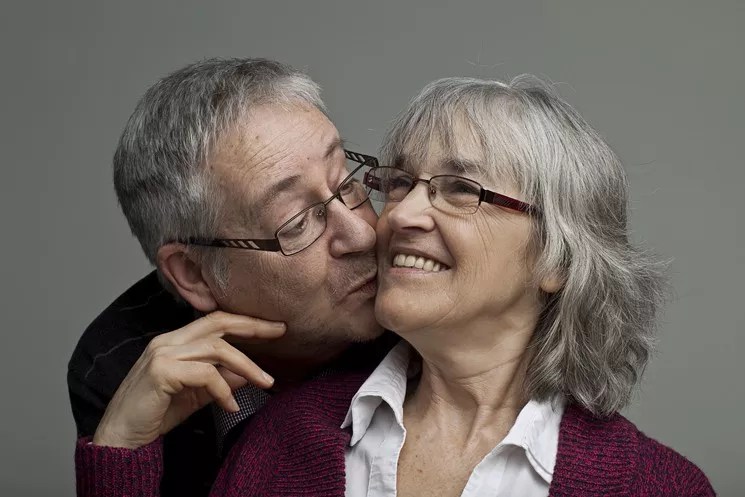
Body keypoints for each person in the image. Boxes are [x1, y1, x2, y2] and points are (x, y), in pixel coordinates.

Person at [181, 76, 711, 496]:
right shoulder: (282, 440)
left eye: (460, 189)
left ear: (556, 259)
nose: (398, 215)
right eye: (400, 184)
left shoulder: (658, 486)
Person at [68, 57, 391, 497]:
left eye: (346, 182)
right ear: (194, 274)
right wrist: (119, 452)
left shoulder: (423, 298)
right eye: (297, 223)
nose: (362, 234)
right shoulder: (122, 361)